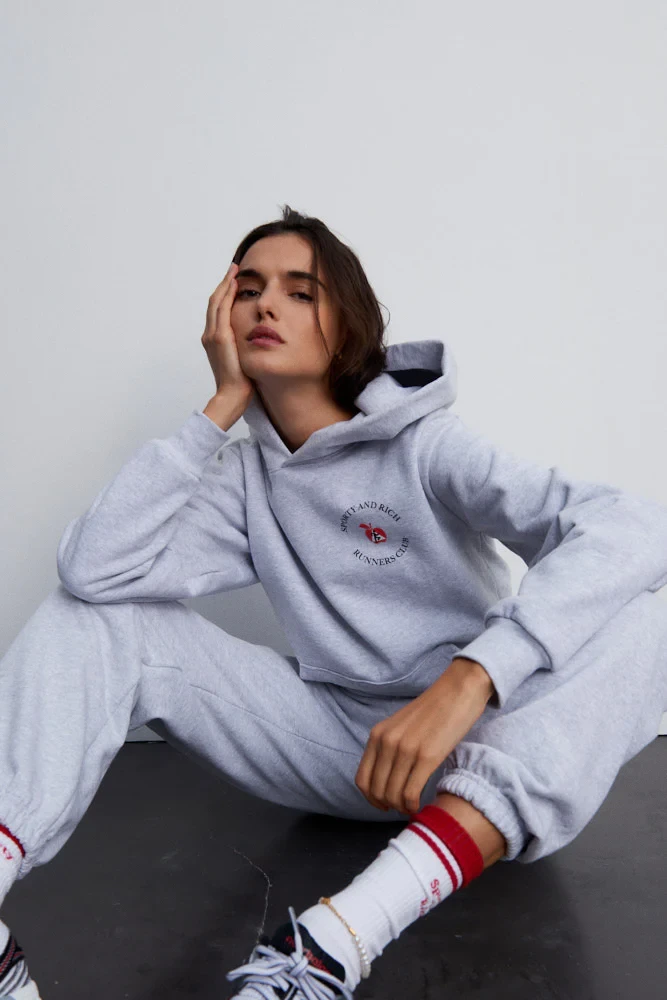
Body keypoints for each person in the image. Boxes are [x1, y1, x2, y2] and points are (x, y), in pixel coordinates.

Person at [1, 206, 666, 1000]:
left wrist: (472, 678)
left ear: (346, 323)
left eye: (299, 291)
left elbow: (633, 527)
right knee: (91, 616)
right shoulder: (242, 480)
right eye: (247, 289)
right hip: (338, 751)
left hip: (480, 749)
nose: (265, 306)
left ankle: (335, 943)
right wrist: (217, 408)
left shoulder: (427, 445)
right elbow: (93, 571)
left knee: (649, 611)